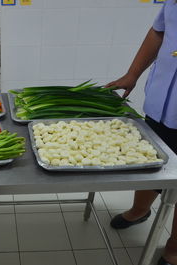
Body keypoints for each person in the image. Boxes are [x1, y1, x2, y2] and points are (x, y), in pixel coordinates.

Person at [105, 1, 177, 264]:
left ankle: (174, 247)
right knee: (148, 160)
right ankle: (139, 210)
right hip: (161, 101)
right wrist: (133, 73)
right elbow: (158, 31)